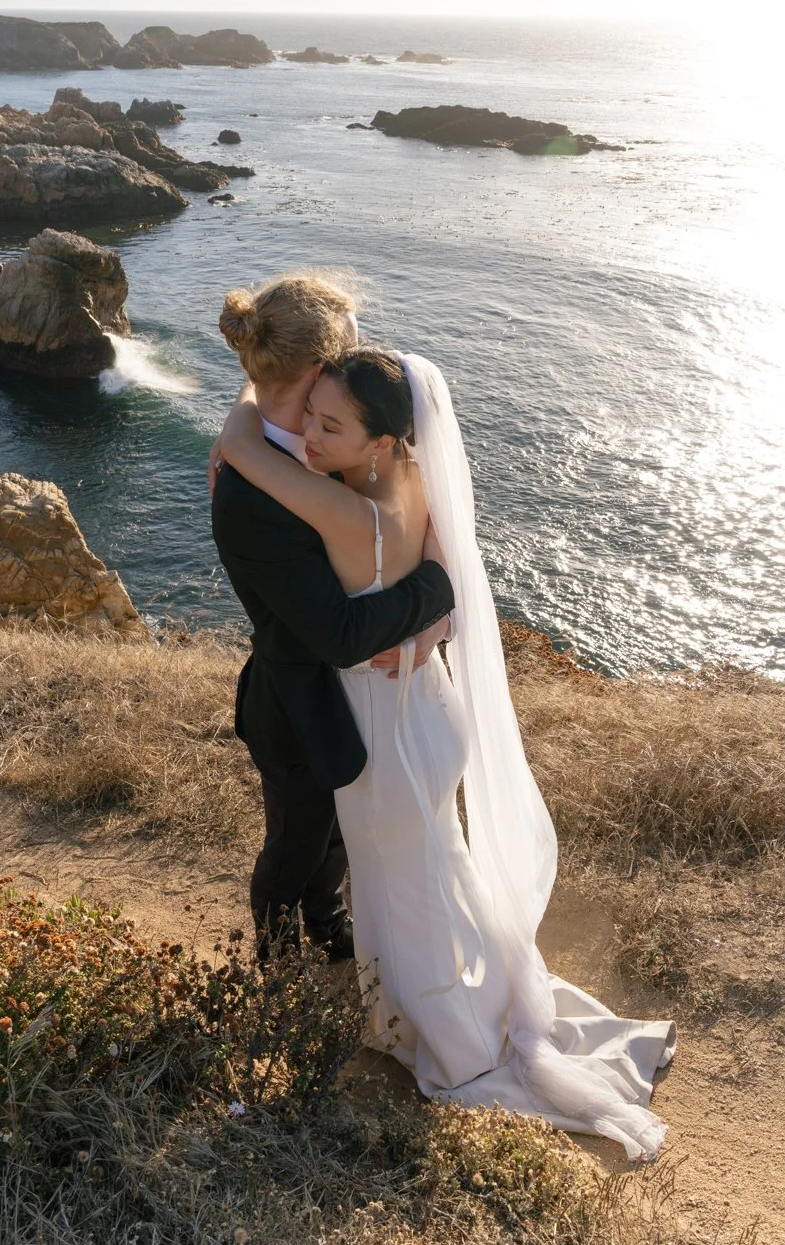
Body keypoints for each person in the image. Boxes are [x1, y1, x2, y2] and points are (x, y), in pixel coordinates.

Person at [215, 341, 677, 1160]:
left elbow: (247, 448)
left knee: (403, 881)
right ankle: (443, 994)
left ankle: (448, 1035)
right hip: (432, 713)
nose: (313, 440)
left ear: (384, 441)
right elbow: (447, 579)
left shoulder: (345, 512)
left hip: (381, 727)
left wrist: (248, 422)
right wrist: (430, 613)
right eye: (312, 419)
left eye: (330, 425)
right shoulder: (423, 487)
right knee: (437, 864)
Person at [210, 272, 454, 963]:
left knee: (343, 839)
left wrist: (239, 420)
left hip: (361, 701)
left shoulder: (312, 441)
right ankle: (278, 966)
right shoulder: (250, 496)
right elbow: (337, 636)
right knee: (298, 843)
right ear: (315, 371)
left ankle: (329, 919)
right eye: (341, 360)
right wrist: (439, 591)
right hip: (298, 703)